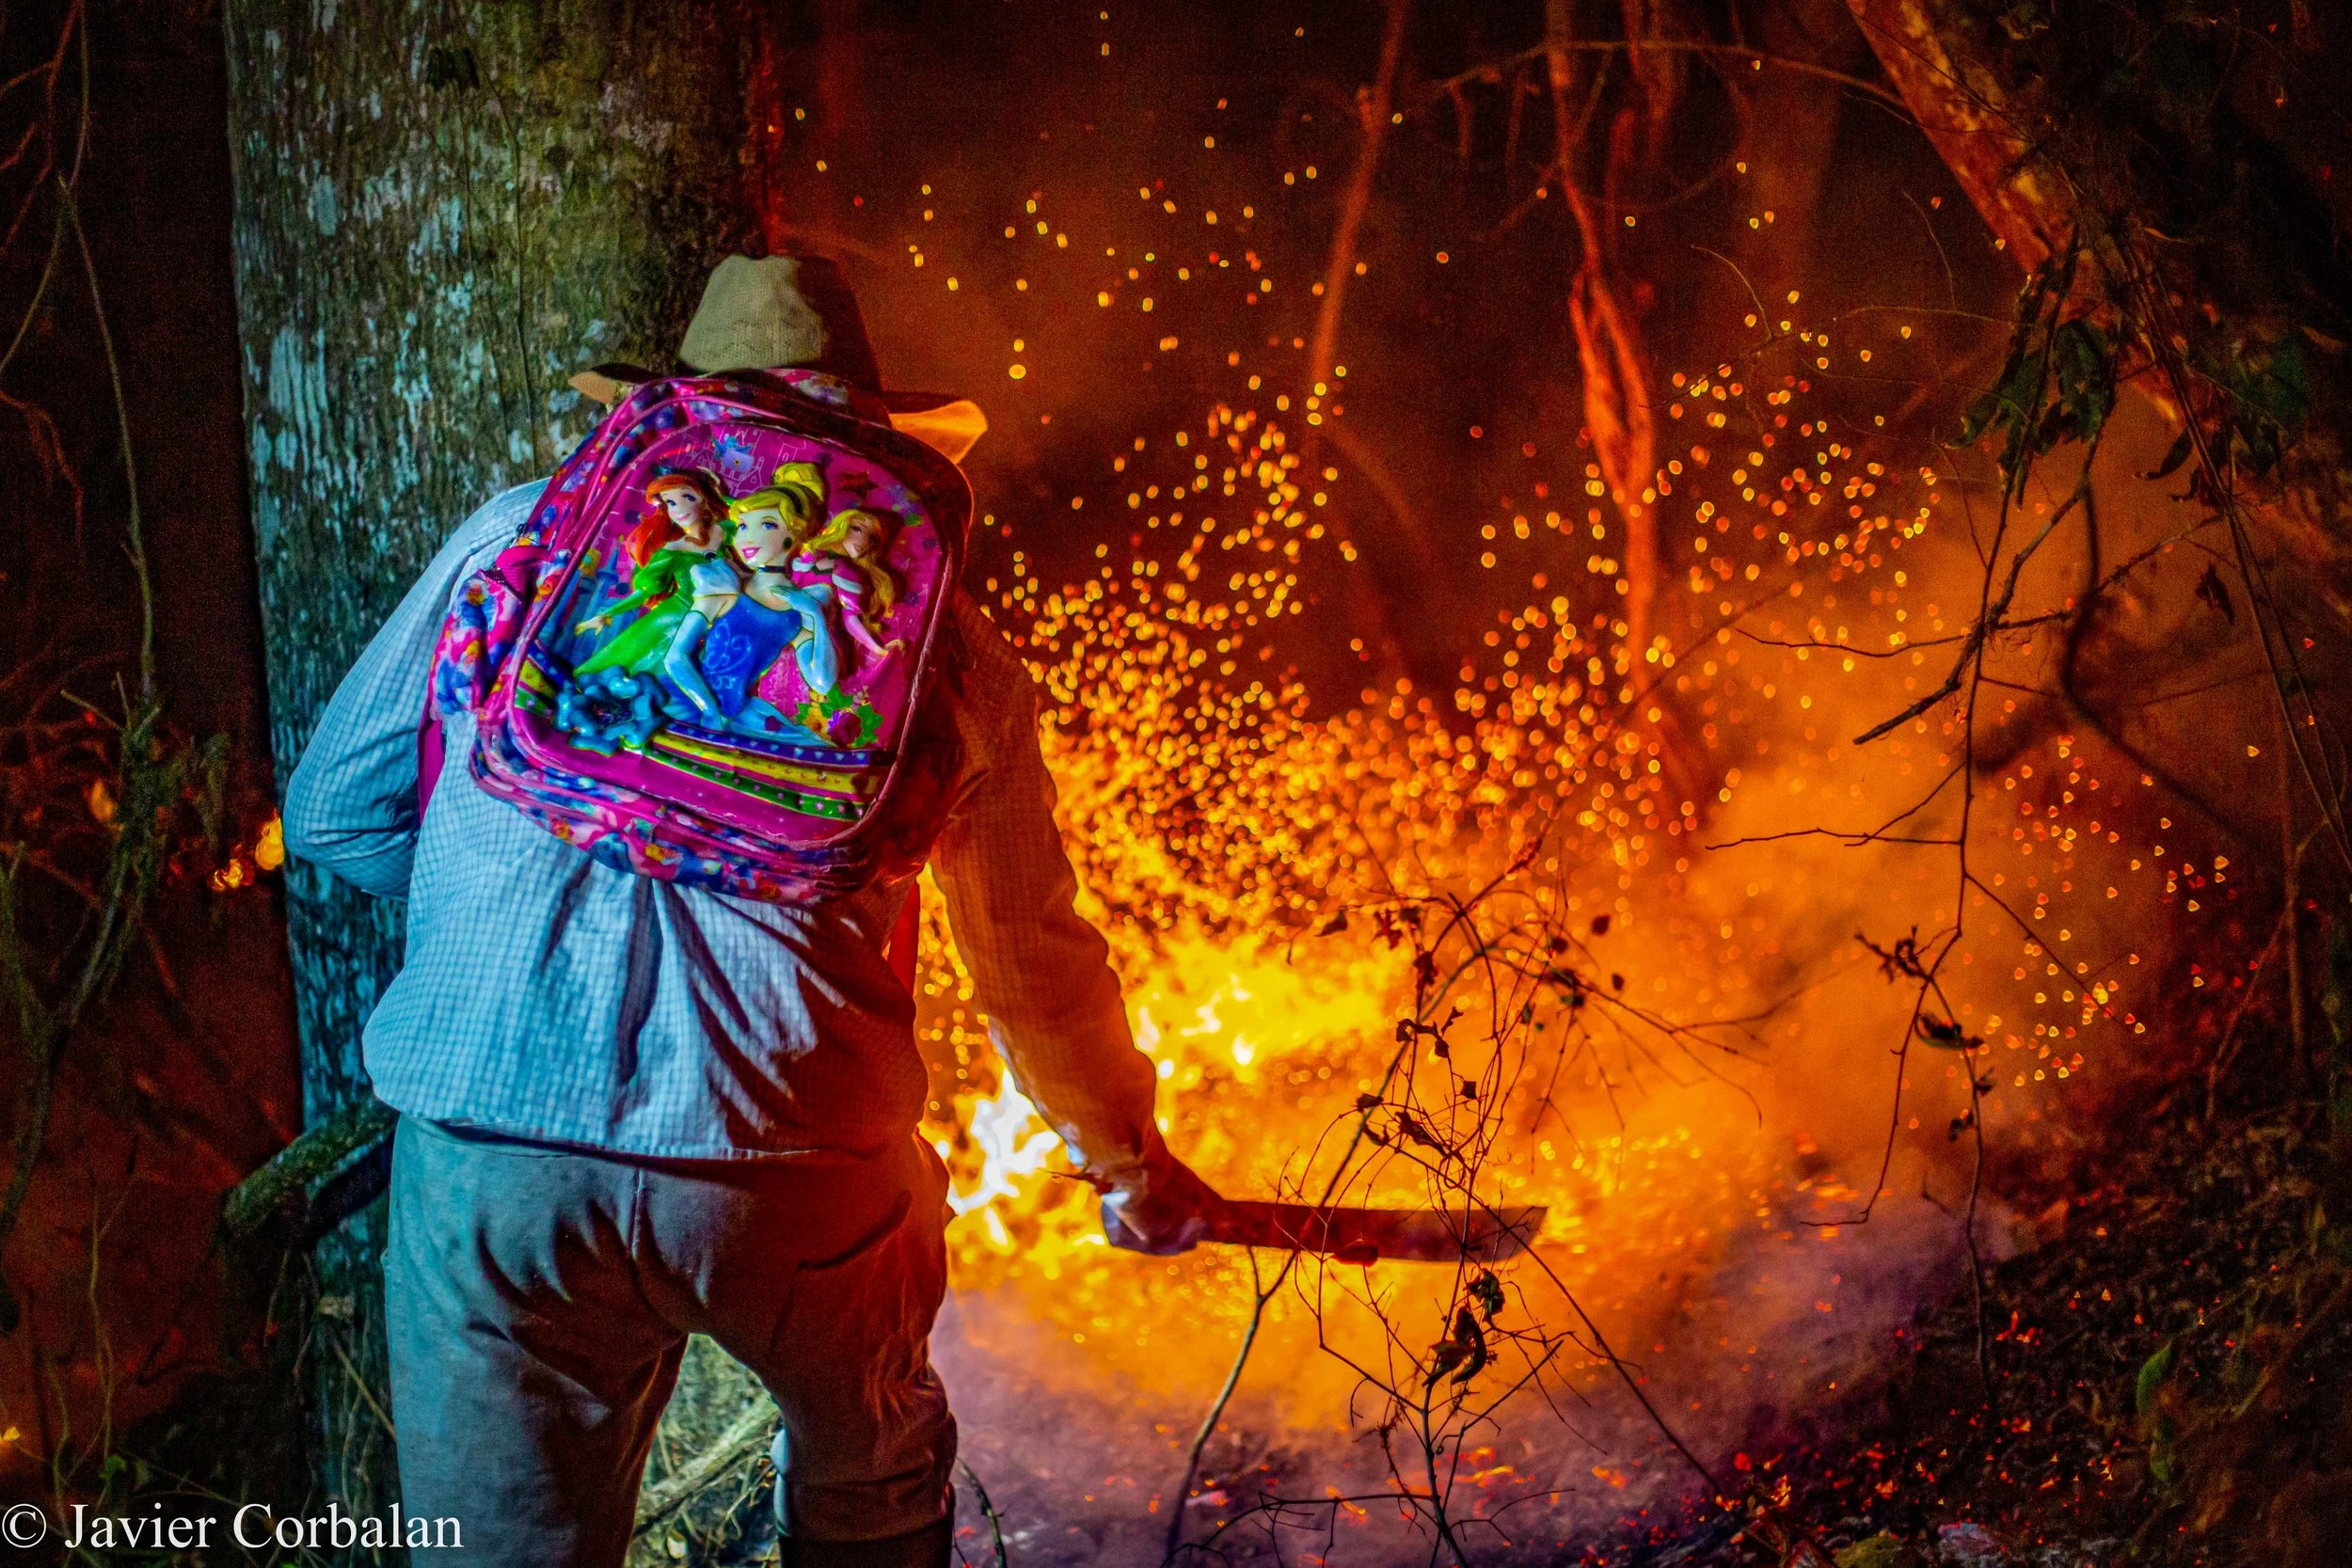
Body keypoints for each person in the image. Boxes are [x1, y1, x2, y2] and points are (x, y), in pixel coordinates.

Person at [281, 254, 1216, 1568]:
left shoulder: (517, 542)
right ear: (866, 436)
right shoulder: (942, 642)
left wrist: (480, 927)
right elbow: (1027, 962)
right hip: (791, 1155)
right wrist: (1125, 1158)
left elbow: (330, 811)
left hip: (490, 1143)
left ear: (678, 405)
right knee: (872, 1483)